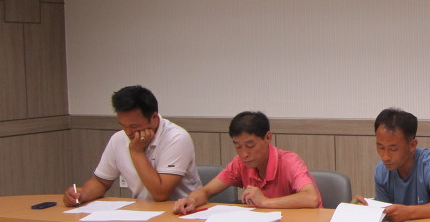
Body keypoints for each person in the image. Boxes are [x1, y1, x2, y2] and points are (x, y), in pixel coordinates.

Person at [64, 85, 200, 205]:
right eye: (123, 125)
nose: (128, 132)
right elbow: (101, 182)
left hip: (181, 212)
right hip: (141, 211)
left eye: (134, 126)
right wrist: (82, 195)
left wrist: (136, 152)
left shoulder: (176, 137)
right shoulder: (118, 138)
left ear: (154, 118)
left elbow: (160, 194)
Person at [174, 111, 320, 213]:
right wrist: (191, 201)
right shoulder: (239, 163)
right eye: (238, 146)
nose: (244, 154)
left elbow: (311, 198)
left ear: (267, 138)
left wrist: (265, 202)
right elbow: (206, 191)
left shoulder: (290, 162)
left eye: (250, 146)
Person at [353, 108, 430, 222]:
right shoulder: (381, 170)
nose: (385, 157)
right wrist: (363, 209)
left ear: (412, 145)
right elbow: (383, 213)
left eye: (393, 149)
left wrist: (408, 212)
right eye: (381, 148)